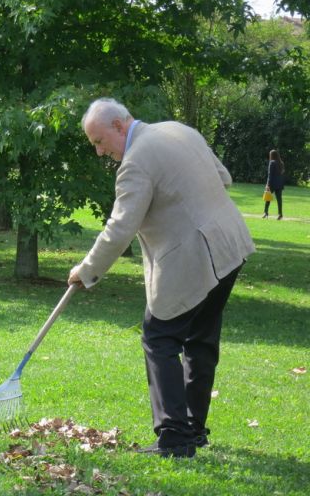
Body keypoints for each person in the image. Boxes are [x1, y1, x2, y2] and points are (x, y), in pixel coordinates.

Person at [68, 98, 255, 458]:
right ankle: (193, 430)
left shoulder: (136, 162)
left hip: (197, 256)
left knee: (159, 336)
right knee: (200, 341)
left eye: (99, 141)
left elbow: (119, 228)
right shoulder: (178, 130)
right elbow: (224, 178)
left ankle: (174, 438)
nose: (99, 151)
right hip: (232, 246)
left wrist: (87, 270)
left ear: (120, 126)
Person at [263, 149, 284, 220]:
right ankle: (280, 214)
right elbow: (281, 174)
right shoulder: (281, 163)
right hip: (280, 184)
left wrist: (267, 185)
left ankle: (265, 213)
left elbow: (270, 175)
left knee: (267, 198)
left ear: (271, 155)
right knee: (279, 200)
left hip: (272, 183)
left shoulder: (272, 162)